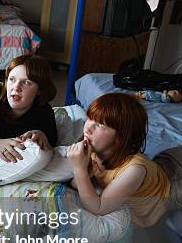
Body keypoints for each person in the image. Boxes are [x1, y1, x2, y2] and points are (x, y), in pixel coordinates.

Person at [67, 93, 171, 227]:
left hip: (177, 183)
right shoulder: (94, 146)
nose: (88, 128)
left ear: (120, 139)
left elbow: (99, 208)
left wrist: (79, 170)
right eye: (90, 118)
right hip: (158, 168)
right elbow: (75, 184)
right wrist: (83, 172)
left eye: (100, 126)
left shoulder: (134, 170)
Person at [0, 54, 58, 190]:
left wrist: (41, 134)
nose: (16, 87)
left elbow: (51, 145)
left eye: (26, 82)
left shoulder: (44, 111)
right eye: (12, 80)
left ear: (40, 90)